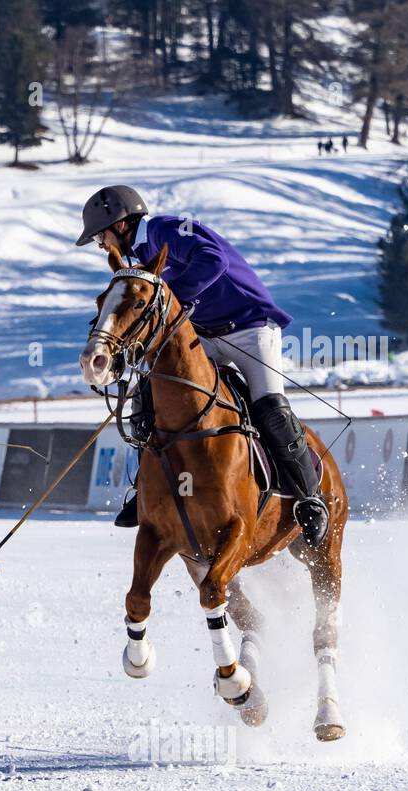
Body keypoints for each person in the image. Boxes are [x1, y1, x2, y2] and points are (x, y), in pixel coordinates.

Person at [75, 185, 330, 546]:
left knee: (270, 407)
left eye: (100, 236)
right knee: (152, 395)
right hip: (205, 333)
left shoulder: (165, 230)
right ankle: (145, 489)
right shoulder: (137, 261)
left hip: (250, 326)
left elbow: (213, 260)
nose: (101, 245)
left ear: (119, 224)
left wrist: (170, 296)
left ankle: (309, 498)